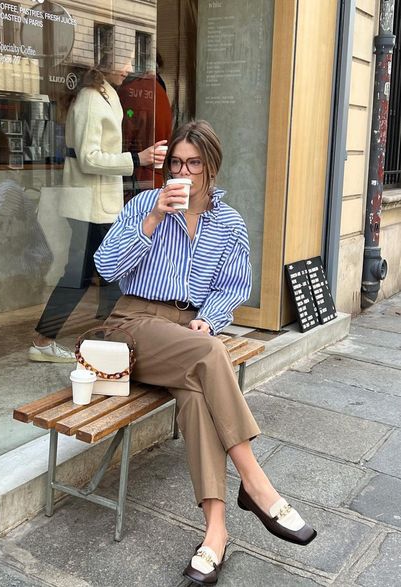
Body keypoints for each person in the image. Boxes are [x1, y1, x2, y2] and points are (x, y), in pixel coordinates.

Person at [94, 120, 316, 584]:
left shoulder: (229, 224)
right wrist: (152, 218)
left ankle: (216, 531)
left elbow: (233, 285)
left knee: (197, 395)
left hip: (184, 333)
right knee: (210, 356)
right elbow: (106, 267)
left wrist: (207, 319)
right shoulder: (143, 205)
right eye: (176, 163)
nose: (184, 172)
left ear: (211, 167)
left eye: (194, 163)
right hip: (132, 325)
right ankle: (256, 484)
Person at [28, 59, 167, 363]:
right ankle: (98, 340)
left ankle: (108, 338)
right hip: (90, 204)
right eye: (125, 59)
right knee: (92, 273)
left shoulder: (104, 93)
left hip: (97, 203)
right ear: (104, 61)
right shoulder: (92, 98)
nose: (130, 67)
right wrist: (137, 158)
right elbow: (89, 158)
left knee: (97, 273)